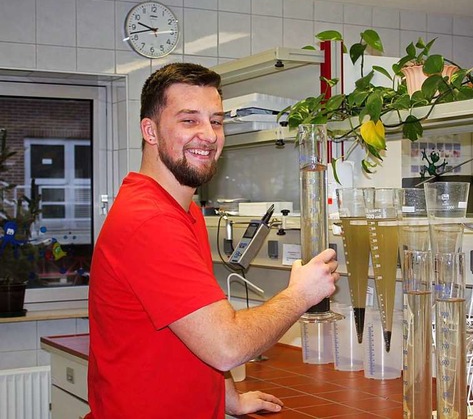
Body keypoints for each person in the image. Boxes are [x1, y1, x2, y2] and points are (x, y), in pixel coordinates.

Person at [86, 62, 340, 418]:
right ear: (151, 130)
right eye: (189, 120)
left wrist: (228, 396)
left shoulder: (182, 211)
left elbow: (195, 329)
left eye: (216, 121)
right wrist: (300, 294)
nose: (208, 134)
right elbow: (226, 345)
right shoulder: (151, 221)